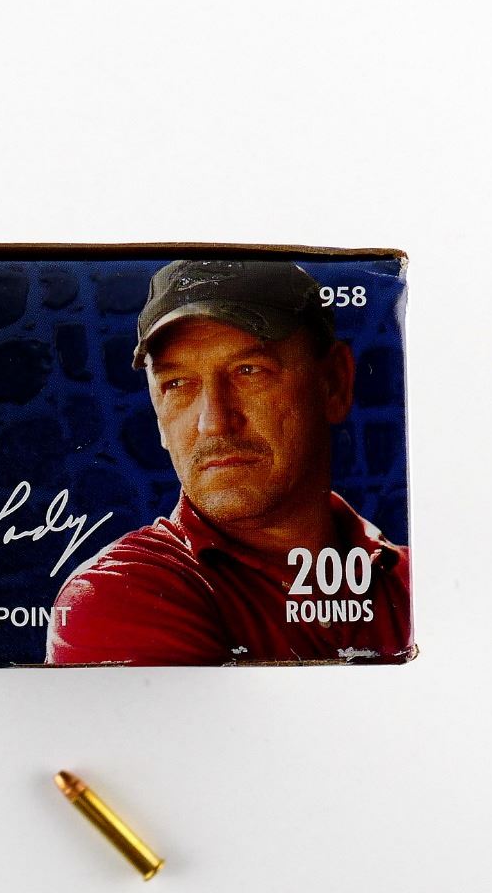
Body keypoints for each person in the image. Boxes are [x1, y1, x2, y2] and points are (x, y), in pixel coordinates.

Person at [46, 259, 413, 665]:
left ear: (334, 383)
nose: (214, 422)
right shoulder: (120, 594)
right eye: (177, 384)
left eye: (249, 371)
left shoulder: (413, 578)